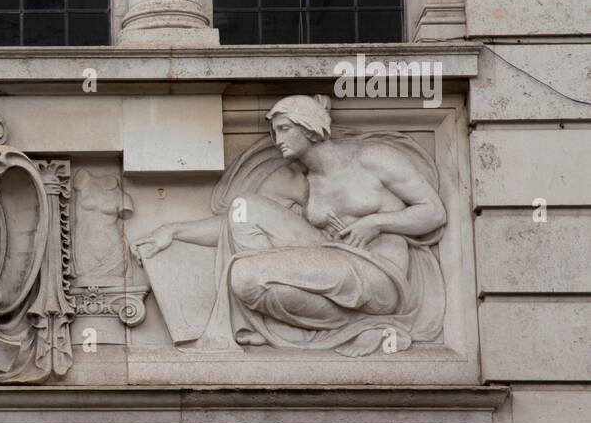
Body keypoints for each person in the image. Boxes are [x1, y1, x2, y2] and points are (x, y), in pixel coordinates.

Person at [134, 95, 447, 357]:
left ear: (309, 127)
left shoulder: (374, 158)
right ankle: (268, 321)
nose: (277, 140)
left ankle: (336, 325)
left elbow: (433, 213)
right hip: (330, 259)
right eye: (274, 133)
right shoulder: (307, 183)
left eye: (284, 129)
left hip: (377, 274)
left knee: (243, 274)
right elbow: (234, 225)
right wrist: (173, 230)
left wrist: (376, 224)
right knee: (245, 206)